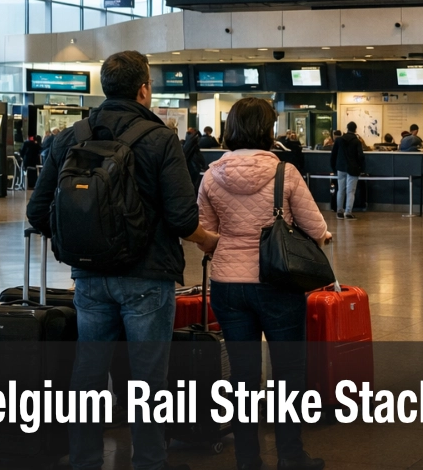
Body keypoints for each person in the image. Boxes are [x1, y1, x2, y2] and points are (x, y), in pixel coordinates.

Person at [27, 50, 217, 470]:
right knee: (148, 379)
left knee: (88, 375)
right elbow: (182, 218)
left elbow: (37, 213)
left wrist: (84, 235)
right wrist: (208, 241)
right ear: (143, 89)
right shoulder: (161, 139)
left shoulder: (71, 137)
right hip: (148, 277)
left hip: (89, 276)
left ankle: (84, 461)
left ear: (105, 87)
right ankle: (149, 461)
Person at [196, 98, 329, 470]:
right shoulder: (285, 172)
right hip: (277, 282)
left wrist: (228, 244)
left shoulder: (211, 175)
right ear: (267, 130)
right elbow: (316, 228)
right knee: (288, 372)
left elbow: (204, 233)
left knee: (242, 376)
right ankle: (290, 456)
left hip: (228, 285)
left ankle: (247, 460)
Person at [330, 121, 365, 219]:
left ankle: (339, 212)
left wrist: (334, 167)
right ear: (355, 130)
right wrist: (361, 168)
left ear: (347, 128)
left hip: (340, 167)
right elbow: (361, 156)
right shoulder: (357, 141)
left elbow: (333, 155)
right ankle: (348, 212)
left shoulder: (339, 140)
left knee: (341, 190)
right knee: (350, 191)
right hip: (353, 168)